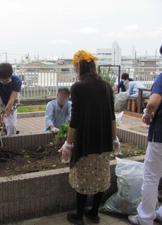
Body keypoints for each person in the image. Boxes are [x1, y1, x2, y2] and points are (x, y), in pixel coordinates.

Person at [58, 50, 120, 225]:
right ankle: (94, 213)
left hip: (86, 139)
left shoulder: (78, 87)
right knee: (100, 175)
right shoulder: (106, 85)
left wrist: (68, 143)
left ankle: (78, 216)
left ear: (79, 65)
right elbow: (112, 115)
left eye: (74, 66)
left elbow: (75, 119)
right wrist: (114, 139)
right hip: (104, 139)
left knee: (83, 176)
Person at [128, 45, 162, 225]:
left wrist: (148, 115)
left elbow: (152, 102)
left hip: (160, 137)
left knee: (151, 176)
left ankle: (145, 218)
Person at [0, 63, 22, 135]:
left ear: (11, 75)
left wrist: (4, 117)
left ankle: (11, 141)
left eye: (7, 80)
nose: (4, 82)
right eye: (2, 80)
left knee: (12, 125)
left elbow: (12, 99)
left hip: (11, 100)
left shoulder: (17, 81)